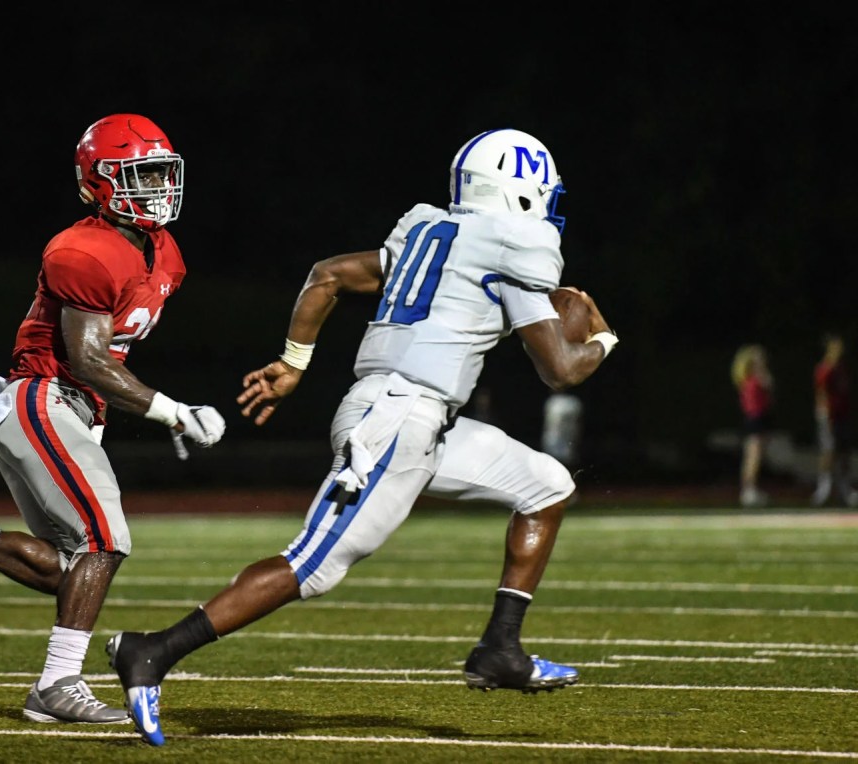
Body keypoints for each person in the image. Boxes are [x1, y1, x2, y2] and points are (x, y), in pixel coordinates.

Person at [106, 128, 618, 746]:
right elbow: (561, 369)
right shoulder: (513, 247)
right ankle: (152, 651)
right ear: (521, 192)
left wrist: (295, 362)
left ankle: (500, 649)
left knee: (547, 484)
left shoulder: (432, 230)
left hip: (418, 418)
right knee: (313, 566)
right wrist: (602, 339)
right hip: (397, 420)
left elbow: (328, 275)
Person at [0, 114, 226, 724]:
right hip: (43, 397)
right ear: (99, 184)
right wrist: (172, 411)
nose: (158, 189)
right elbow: (87, 360)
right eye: (140, 177)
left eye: (162, 173)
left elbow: (110, 357)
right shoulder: (83, 249)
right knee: (106, 540)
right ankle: (57, 686)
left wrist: (106, 420)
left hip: (68, 408)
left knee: (72, 566)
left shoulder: (165, 254)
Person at [811, 333, 856, 507]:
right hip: (829, 416)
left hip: (843, 415)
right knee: (828, 451)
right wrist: (824, 415)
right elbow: (821, 394)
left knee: (845, 452)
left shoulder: (842, 368)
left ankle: (845, 488)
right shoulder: (824, 369)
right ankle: (823, 489)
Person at [731, 344, 774, 508]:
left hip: (758, 418)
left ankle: (750, 489)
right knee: (753, 457)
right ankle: (748, 490)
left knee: (754, 456)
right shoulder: (752, 378)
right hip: (754, 419)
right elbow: (768, 385)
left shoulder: (750, 378)